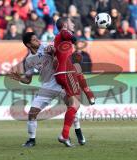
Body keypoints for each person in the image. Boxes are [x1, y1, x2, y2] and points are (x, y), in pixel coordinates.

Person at [8, 32, 86, 147]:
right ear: (28, 44)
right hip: (47, 87)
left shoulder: (45, 46)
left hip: (60, 83)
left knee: (72, 107)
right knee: (32, 113)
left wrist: (53, 52)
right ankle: (31, 140)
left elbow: (54, 49)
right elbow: (28, 80)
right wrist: (20, 78)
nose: (38, 41)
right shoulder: (29, 60)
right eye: (34, 40)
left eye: (37, 38)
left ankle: (78, 132)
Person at [54, 17, 95, 147]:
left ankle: (69, 135)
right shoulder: (64, 34)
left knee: (72, 105)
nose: (74, 24)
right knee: (75, 105)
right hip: (66, 72)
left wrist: (73, 57)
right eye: (72, 22)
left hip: (61, 73)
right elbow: (65, 33)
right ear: (65, 24)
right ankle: (64, 135)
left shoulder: (59, 40)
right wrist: (74, 39)